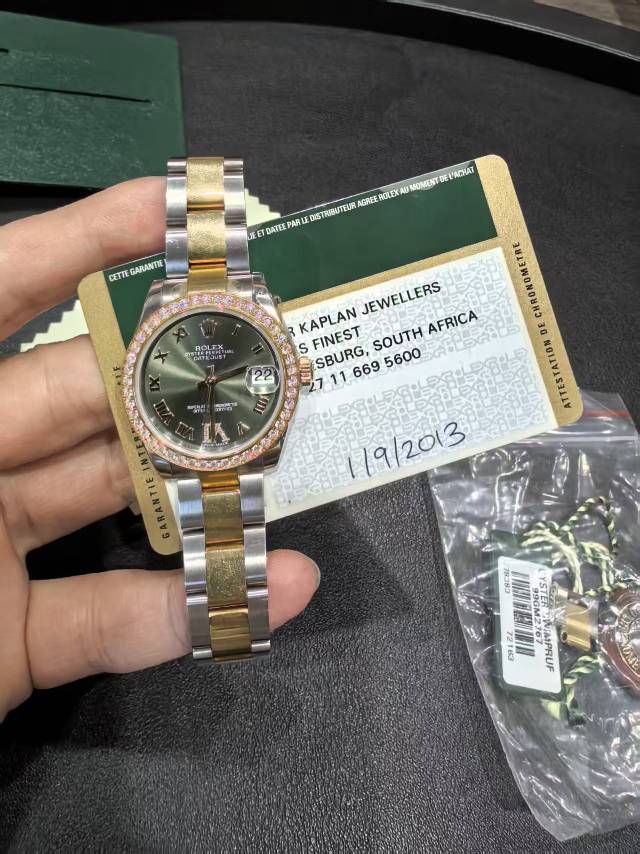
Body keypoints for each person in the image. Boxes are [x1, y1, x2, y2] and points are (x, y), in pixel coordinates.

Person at [0, 177, 320, 722]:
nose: (211, 379)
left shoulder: (221, 326)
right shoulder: (162, 324)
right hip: (191, 444)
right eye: (204, 375)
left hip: (230, 443)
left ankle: (228, 623)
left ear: (296, 373)